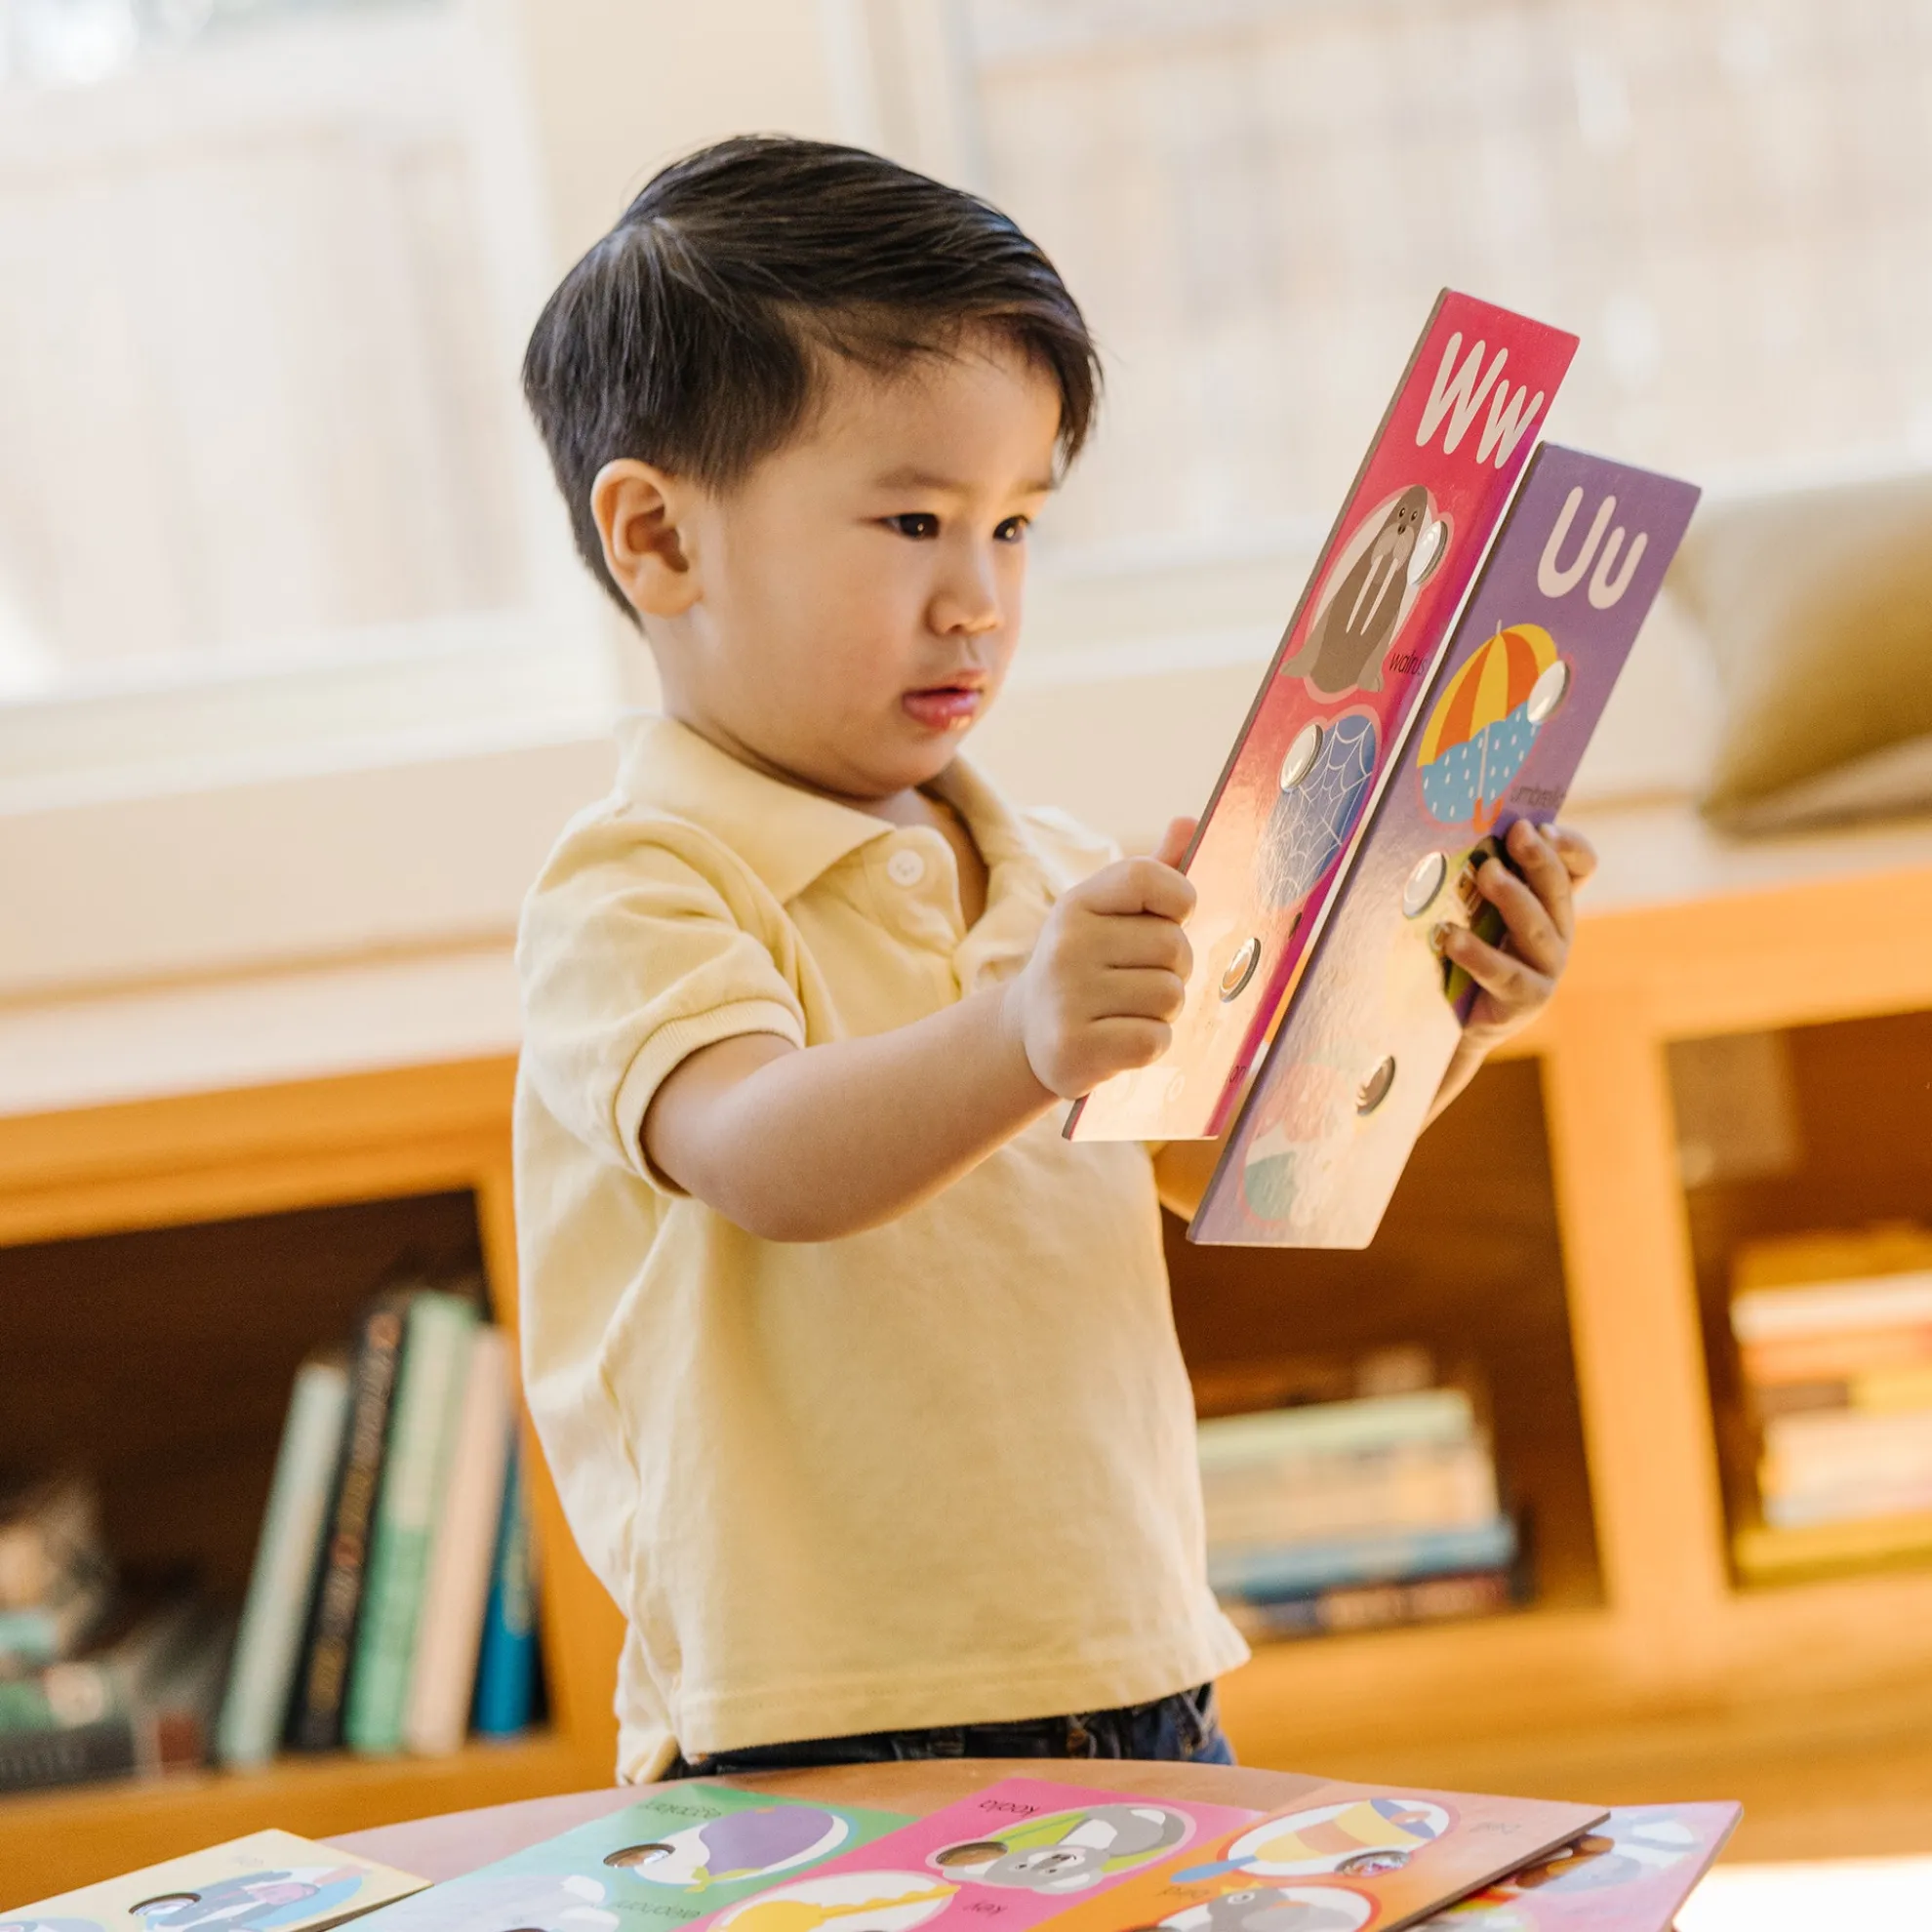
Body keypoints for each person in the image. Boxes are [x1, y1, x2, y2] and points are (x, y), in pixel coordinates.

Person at [512, 135, 1594, 1782]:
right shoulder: (638, 882)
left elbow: (1238, 1170)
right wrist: (1029, 1033)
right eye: (912, 520)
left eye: (1017, 527)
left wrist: (1451, 1008)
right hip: (812, 1725)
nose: (979, 600)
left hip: (1135, 1664)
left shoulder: (1056, 870)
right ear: (659, 540)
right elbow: (758, 1154)